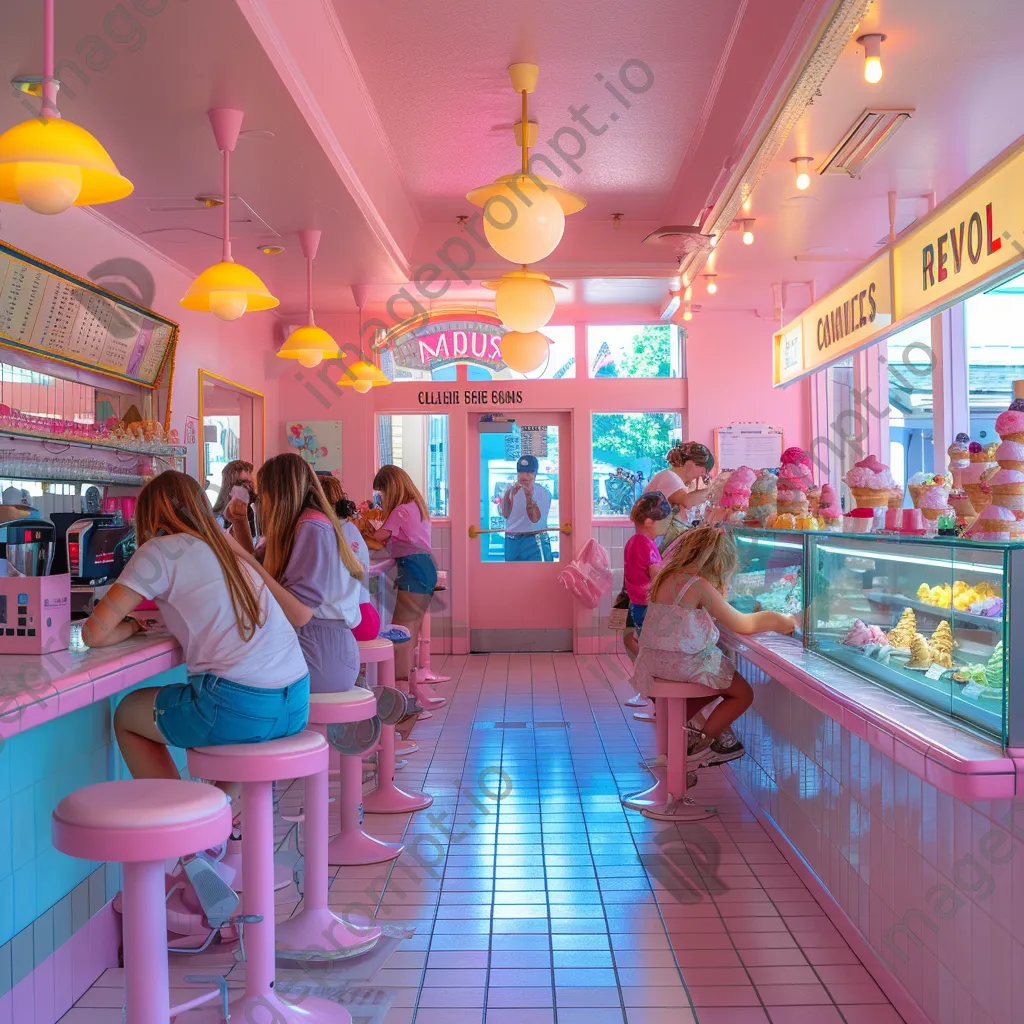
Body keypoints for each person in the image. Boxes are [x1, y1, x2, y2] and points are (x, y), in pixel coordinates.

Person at [82, 471, 310, 793]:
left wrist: (132, 626)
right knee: (246, 736)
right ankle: (218, 822)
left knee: (127, 716)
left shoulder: (158, 551)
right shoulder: (227, 549)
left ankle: (184, 828)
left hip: (241, 707)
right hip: (296, 701)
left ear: (149, 516)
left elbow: (93, 633)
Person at [632, 525, 796, 766]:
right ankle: (702, 745)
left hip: (654, 665)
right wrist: (784, 620)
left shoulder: (665, 578)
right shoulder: (697, 585)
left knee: (710, 687)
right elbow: (743, 623)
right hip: (684, 666)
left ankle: (681, 746)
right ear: (718, 564)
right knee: (742, 693)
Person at [231, 453, 363, 695]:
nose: (260, 503)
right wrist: (240, 523)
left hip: (320, 653)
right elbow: (257, 568)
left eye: (262, 494)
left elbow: (299, 612)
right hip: (319, 649)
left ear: (278, 493)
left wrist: (236, 551)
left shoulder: (312, 527)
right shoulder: (301, 526)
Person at [371, 465, 437, 683]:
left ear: (391, 488)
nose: (381, 498)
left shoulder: (400, 510)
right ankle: (412, 691)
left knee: (400, 634)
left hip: (413, 569)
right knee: (411, 632)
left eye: (382, 492)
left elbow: (379, 537)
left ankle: (401, 692)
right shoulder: (416, 505)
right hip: (424, 568)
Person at [622, 492, 672, 659]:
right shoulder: (645, 544)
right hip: (647, 607)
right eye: (664, 519)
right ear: (650, 521)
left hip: (637, 604)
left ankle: (647, 667)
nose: (668, 523)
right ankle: (651, 672)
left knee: (645, 642)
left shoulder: (633, 541)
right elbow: (657, 577)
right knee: (654, 648)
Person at [500, 455, 552, 561]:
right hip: (512, 539)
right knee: (512, 575)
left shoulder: (543, 493)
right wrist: (507, 494)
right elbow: (505, 514)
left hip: (535, 539)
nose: (525, 476)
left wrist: (528, 496)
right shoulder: (510, 491)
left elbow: (535, 520)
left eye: (529, 472)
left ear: (535, 473)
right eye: (521, 472)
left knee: (539, 573)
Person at [212, 459, 258, 551]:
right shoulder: (217, 520)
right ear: (229, 487)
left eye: (251, 483)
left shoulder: (256, 511)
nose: (249, 488)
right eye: (243, 483)